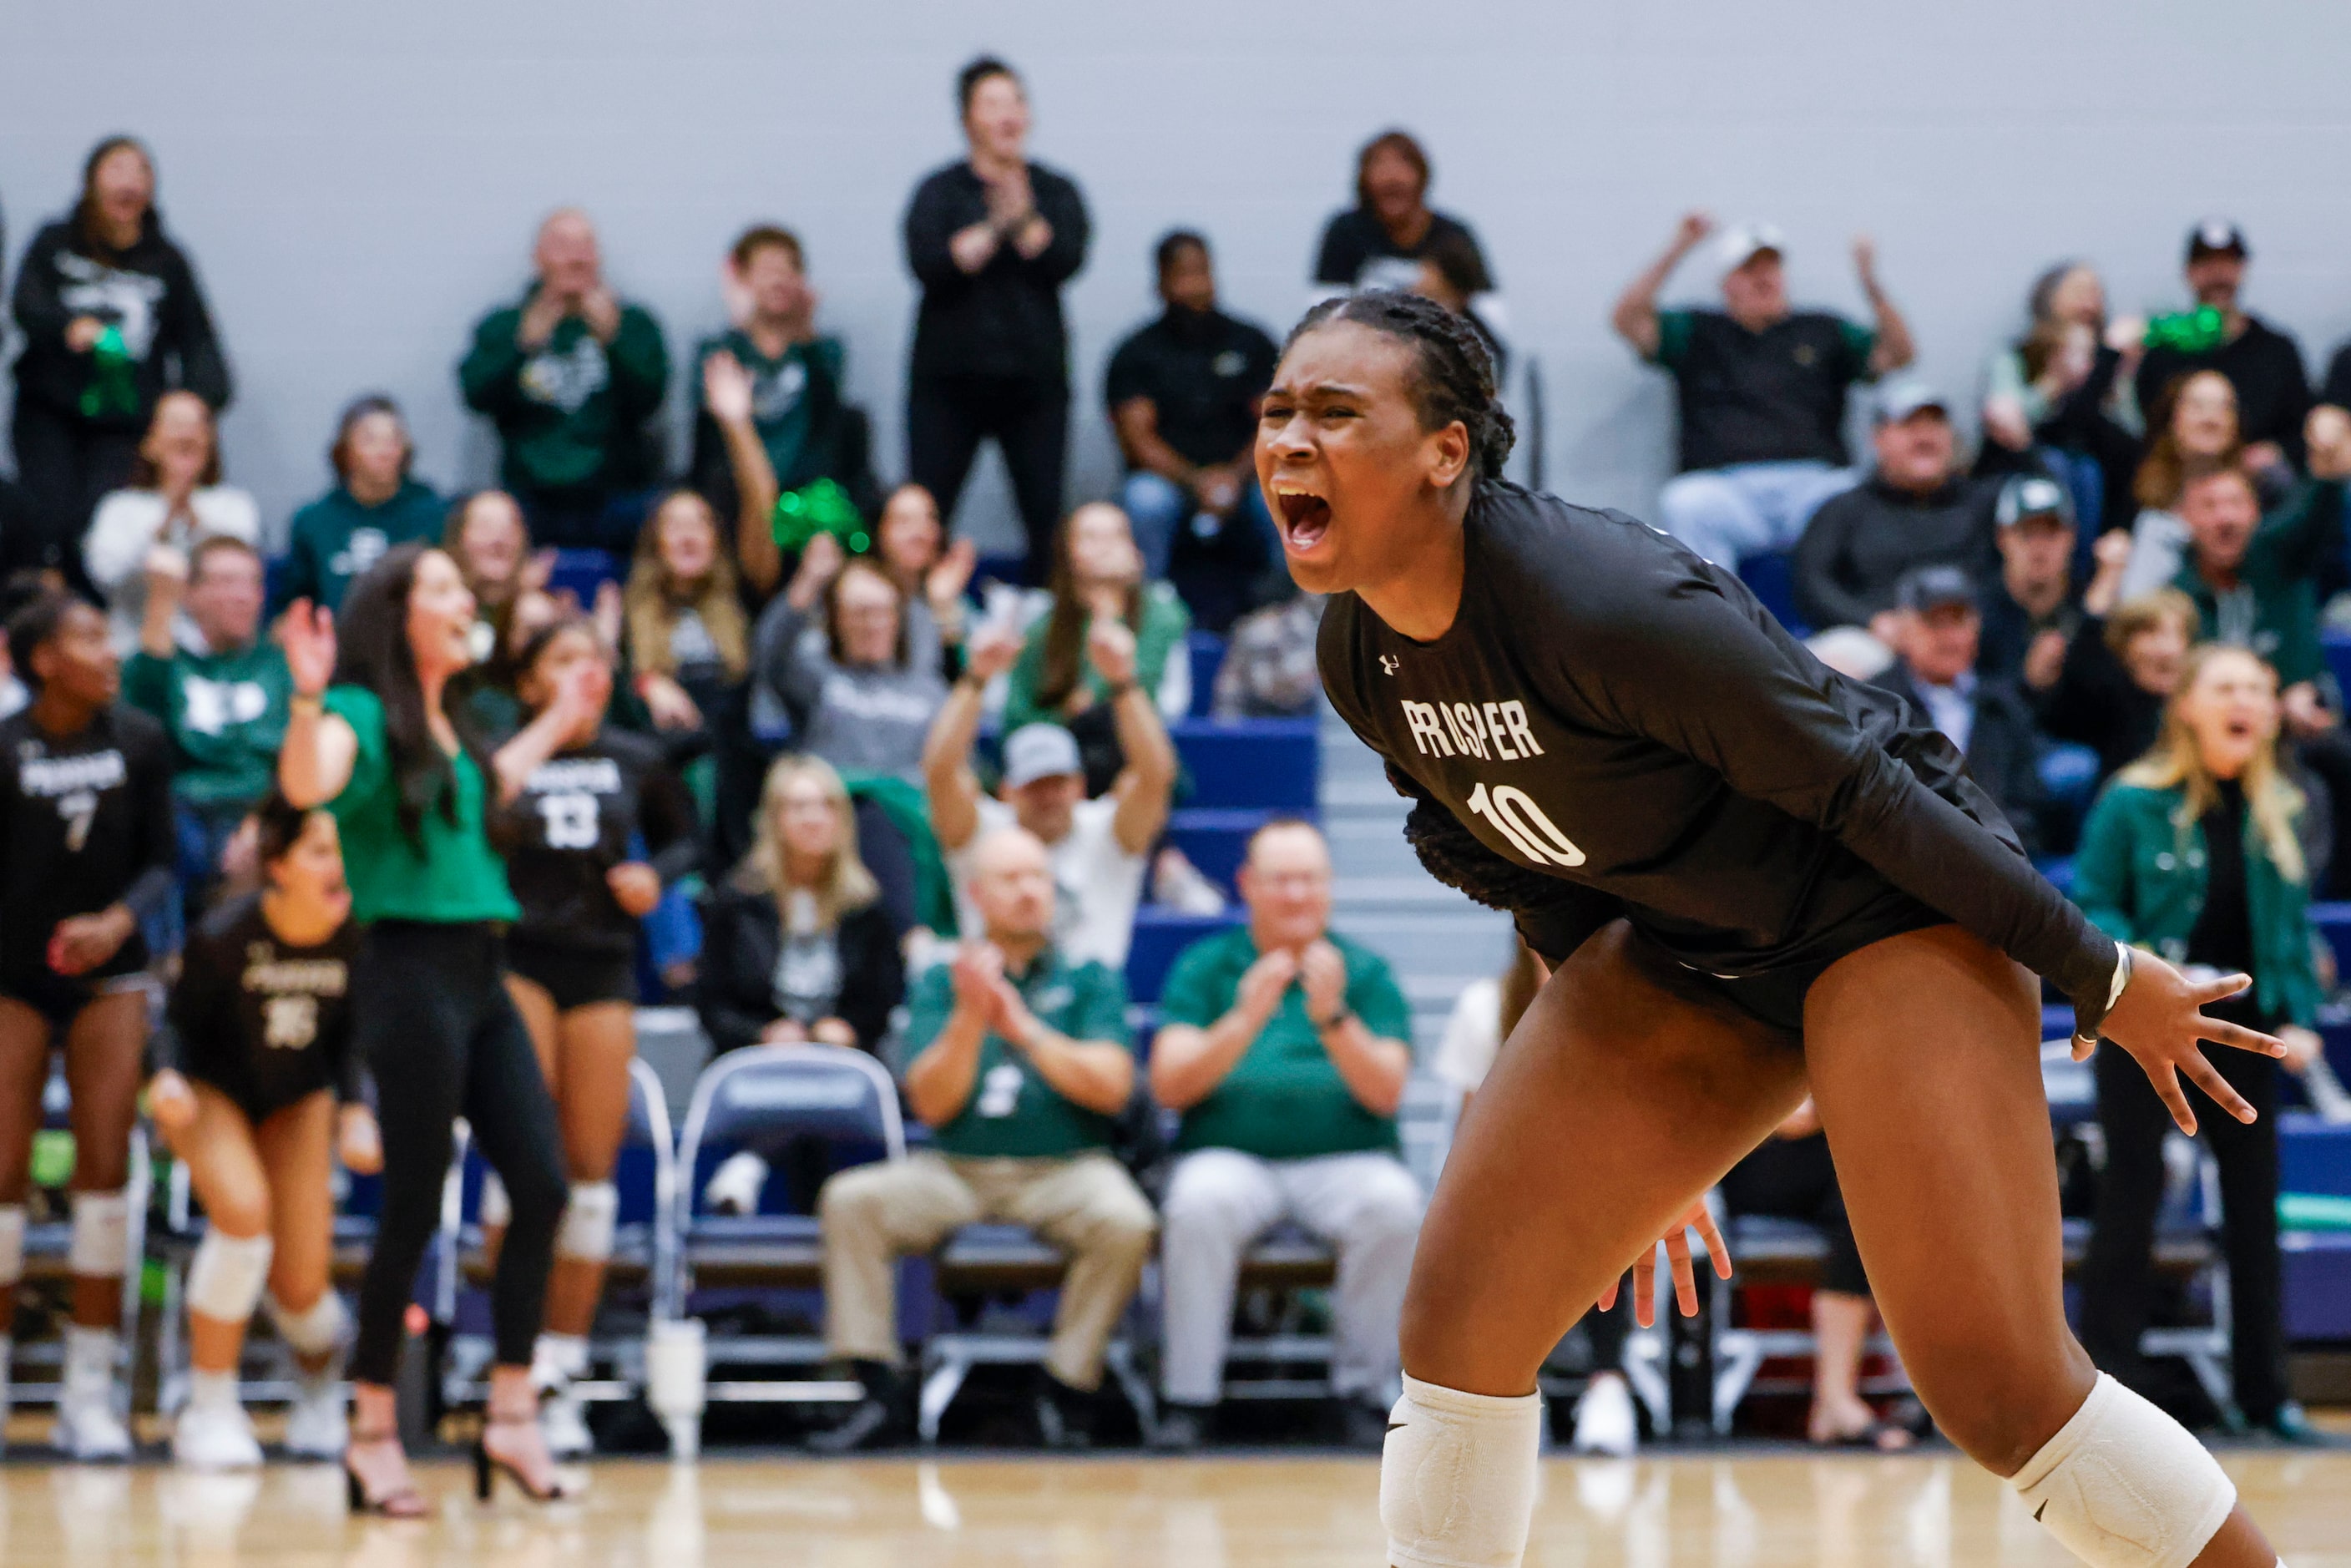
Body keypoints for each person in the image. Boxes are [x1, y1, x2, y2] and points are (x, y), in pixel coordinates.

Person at [1266, 289, 2288, 1567]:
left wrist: (2097, 970)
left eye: (1333, 412)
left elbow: (1871, 790)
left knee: (1998, 1384)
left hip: (1881, 904)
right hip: (1692, 945)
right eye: (1277, 413)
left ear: (1446, 451)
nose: (1288, 441)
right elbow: (1532, 875)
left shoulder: (1603, 596)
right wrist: (1646, 1142)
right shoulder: (1361, 653)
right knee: (1459, 1327)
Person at [276, 544, 570, 1513]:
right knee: (415, 1200)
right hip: (406, 972)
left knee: (540, 1181)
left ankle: (513, 1410)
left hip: (484, 973)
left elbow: (480, 798)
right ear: (396, 612)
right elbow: (310, 784)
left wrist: (562, 723)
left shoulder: (454, 723)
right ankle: (370, 1428)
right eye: (441, 589)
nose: (461, 602)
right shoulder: (361, 714)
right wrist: (308, 698)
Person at [811, 825, 1154, 1452]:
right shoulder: (942, 981)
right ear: (976, 895)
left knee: (1127, 1219)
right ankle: (879, 1391)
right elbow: (933, 1102)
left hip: (1068, 1167)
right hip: (956, 1168)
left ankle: (1066, 1388)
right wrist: (973, 1016)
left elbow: (1111, 1088)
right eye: (1011, 879)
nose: (1029, 892)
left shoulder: (1091, 976)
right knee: (851, 1201)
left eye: (1038, 878)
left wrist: (1021, 1027)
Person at [2071, 644, 2328, 1444]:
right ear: (2186, 705)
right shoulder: (2129, 803)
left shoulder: (2280, 805)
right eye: (2226, 686)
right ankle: (2107, 1392)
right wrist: (2145, 975)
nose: (2244, 699)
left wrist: (2303, 1017)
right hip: (2150, 1028)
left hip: (2245, 1034)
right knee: (2132, 1199)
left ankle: (2266, 1397)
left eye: (2257, 686)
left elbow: (2289, 940)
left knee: (2256, 1217)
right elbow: (2091, 908)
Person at [481, 617, 697, 1457]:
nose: (586, 675)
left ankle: (560, 1371)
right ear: (530, 681)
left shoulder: (634, 758)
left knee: (591, 1180)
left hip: (602, 962)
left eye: (595, 662)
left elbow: (685, 838)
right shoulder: (504, 752)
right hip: (519, 958)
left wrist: (656, 877)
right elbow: (477, 812)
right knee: (523, 1165)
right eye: (564, 661)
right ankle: (510, 1356)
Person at [1147, 820, 1422, 1450]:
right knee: (1196, 1203)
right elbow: (1169, 1085)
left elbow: (1386, 1089)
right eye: (1281, 881)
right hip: (1230, 1157)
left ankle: (1362, 1392)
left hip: (1347, 1160)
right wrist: (1245, 1017)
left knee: (1395, 1205)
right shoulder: (1207, 966)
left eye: (1309, 880)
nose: (1296, 895)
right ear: (1247, 886)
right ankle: (1188, 1397)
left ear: (1328, 888)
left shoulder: (1367, 971)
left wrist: (1333, 1017)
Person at [145, 797, 381, 1468]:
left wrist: (356, 1107)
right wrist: (163, 1079)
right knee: (244, 1216)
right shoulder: (224, 934)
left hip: (298, 1096)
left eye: (342, 851)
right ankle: (209, 1405)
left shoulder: (356, 935)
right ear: (277, 866)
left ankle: (319, 1389)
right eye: (319, 852)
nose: (339, 866)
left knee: (302, 1285)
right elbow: (173, 1026)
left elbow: (353, 1035)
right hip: (210, 1091)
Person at [0, 591, 174, 1458]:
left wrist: (112, 923)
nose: (108, 651)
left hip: (114, 970)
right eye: (88, 638)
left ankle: (88, 1391)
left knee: (106, 1172)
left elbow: (163, 861)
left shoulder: (139, 739)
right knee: (2, 1170)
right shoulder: (6, 747)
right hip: (14, 974)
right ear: (41, 661)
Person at [1430, 940, 1643, 1455]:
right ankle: (1514, 1394)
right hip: (1510, 1185)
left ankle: (1607, 1384)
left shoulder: (1636, 1004)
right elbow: (1470, 1138)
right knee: (1503, 1220)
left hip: (1608, 1190)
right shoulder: (1486, 1005)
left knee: (1610, 1211)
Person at [1610, 213, 1914, 569]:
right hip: (1727, 491)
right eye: (1749, 270)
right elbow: (1628, 320)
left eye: (1771, 267)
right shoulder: (1697, 331)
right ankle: (1714, 622)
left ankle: (1844, 613)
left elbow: (1898, 354)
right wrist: (1678, 248)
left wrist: (1870, 282)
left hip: (1811, 486)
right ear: (1727, 283)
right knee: (1685, 503)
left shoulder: (1823, 329)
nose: (1763, 279)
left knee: (1853, 496)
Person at [10, 136, 231, 583]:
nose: (129, 182)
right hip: (49, 411)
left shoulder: (167, 260)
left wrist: (195, 403)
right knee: (47, 517)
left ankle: (92, 618)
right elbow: (25, 303)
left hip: (125, 418)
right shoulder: (55, 243)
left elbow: (199, 342)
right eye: (116, 170)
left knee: (100, 519)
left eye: (140, 172)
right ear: (91, 182)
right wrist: (66, 325)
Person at [902, 58, 1090, 575]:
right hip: (948, 385)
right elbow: (929, 264)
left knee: (1046, 517)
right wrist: (995, 225)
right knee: (926, 514)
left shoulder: (1055, 191)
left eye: (1016, 102)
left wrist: (1025, 217)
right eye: (993, 104)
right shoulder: (938, 192)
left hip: (1035, 386)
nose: (1008, 116)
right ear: (967, 118)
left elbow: (1066, 258)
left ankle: (1048, 630)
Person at [925, 635, 1175, 973]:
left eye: (1058, 783)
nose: (1048, 797)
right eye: (1034, 785)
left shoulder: (1107, 831)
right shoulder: (983, 832)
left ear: (1080, 786)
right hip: (994, 987)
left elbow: (1155, 774)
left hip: (1088, 1003)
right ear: (1006, 791)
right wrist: (976, 679)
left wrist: (1123, 682)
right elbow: (940, 771)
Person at [458, 209, 670, 555]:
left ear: (598, 257)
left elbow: (651, 401)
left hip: (614, 493)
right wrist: (519, 348)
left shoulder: (632, 323)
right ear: (537, 258)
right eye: (562, 246)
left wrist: (615, 343)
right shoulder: (507, 324)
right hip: (530, 495)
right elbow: (475, 396)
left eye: (585, 246)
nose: (575, 257)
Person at [1105, 231, 1281, 628]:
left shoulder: (1251, 343)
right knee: (1145, 501)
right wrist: (1197, 482)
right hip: (1170, 483)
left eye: (1202, 272)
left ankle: (1279, 611)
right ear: (1161, 283)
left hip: (1246, 477)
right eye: (1182, 275)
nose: (1195, 285)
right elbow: (1137, 441)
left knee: (1288, 498)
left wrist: (1232, 478)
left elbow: (1277, 424)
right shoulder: (1137, 353)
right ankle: (1144, 618)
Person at [1717, 1097, 1914, 1449]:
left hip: (1826, 1147)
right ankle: (1835, 1399)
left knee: (1869, 1188)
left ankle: (1834, 1398)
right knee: (1862, 1180)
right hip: (1742, 1151)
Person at [122, 535, 291, 917]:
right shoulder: (168, 661)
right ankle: (166, 964)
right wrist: (161, 603)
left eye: (252, 583)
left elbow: (295, 757)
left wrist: (260, 823)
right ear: (191, 595)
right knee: (164, 831)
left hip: (260, 807)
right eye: (226, 582)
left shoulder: (278, 663)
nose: (243, 595)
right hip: (185, 812)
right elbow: (140, 727)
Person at [696, 753, 905, 1060]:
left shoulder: (866, 906)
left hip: (847, 1062)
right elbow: (711, 1004)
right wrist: (762, 1034)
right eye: (799, 807)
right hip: (751, 1064)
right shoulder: (737, 902)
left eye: (826, 806)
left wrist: (849, 1029)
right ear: (773, 818)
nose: (814, 818)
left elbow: (882, 999)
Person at [690, 225, 875, 553]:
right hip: (738, 496)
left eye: (789, 269)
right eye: (766, 270)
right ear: (742, 280)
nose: (779, 280)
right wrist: (739, 330)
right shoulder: (719, 349)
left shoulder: (823, 351)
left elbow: (826, 413)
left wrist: (805, 332)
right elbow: (709, 415)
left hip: (806, 499)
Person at [1001, 502, 1191, 791]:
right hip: (1050, 769)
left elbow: (1160, 700)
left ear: (1137, 553)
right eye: (1091, 537)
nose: (1106, 547)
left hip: (1136, 766)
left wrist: (1090, 697)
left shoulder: (1164, 617)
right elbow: (1015, 718)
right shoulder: (1042, 628)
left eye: (1116, 536)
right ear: (1067, 553)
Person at [1792, 380, 1996, 637]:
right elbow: (1812, 584)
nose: (1924, 437)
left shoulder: (1985, 504)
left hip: (1972, 639)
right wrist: (1871, 621)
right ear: (1879, 438)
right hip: (1876, 641)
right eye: (1910, 426)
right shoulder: (1844, 510)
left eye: (1935, 424)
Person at [1869, 565, 2050, 856]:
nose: (1950, 637)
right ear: (1904, 630)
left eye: (1959, 621)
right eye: (1934, 622)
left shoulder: (2004, 707)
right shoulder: (1874, 704)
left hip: (1996, 867)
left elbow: (2027, 803)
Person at [621, 488, 761, 863]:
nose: (689, 536)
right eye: (676, 526)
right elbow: (615, 691)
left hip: (733, 777)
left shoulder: (742, 604)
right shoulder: (626, 614)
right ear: (656, 543)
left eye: (700, 524)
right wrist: (646, 683)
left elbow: (761, 510)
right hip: (665, 773)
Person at [83, 390, 260, 652]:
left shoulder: (234, 505)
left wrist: (193, 518)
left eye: (197, 425)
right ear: (149, 443)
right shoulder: (120, 507)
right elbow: (106, 575)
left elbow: (238, 572)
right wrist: (163, 525)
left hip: (215, 655)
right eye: (175, 424)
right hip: (133, 647)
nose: (186, 434)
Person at [751, 549, 948, 783]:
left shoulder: (930, 691)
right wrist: (808, 583)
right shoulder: (816, 677)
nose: (873, 624)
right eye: (860, 612)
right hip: (836, 807)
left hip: (907, 810)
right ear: (838, 619)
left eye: (883, 611)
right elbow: (769, 655)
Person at [2133, 222, 2309, 483]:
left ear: (2242, 269)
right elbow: (2148, 429)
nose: (2218, 274)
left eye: (2227, 263)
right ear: (2189, 272)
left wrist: (2276, 451)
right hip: (2178, 481)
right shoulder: (2163, 352)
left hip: (2259, 484)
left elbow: (2302, 428)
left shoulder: (2277, 350)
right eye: (2207, 264)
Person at [2169, 452, 2350, 701]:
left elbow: (2318, 509)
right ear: (2183, 516)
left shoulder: (2287, 561)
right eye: (2209, 506)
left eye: (2236, 503)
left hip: (2296, 726)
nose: (2226, 519)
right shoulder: (2174, 599)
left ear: (2256, 511)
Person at [1979, 261, 2144, 532]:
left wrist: (2109, 372)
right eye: (2079, 291)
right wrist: (2054, 385)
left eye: (2096, 293)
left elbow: (2130, 432)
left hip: (2103, 476)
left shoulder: (2111, 362)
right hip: (2030, 470)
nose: (2090, 301)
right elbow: (2011, 427)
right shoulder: (2017, 357)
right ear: (2047, 301)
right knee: (2067, 467)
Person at [280, 397, 446, 614]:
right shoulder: (314, 520)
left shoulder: (432, 513)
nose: (384, 451)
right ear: (345, 452)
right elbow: (296, 604)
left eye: (393, 440)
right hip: (334, 639)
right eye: (370, 440)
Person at [1312, 130, 1498, 307]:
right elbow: (1322, 308)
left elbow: (1489, 310)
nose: (1392, 177)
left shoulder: (1453, 236)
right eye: (1380, 166)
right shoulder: (1346, 232)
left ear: (1422, 178)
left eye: (1403, 165)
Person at [2037, 589, 2199, 787]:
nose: (2169, 649)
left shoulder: (2195, 699)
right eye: (2152, 633)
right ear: (2125, 643)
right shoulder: (2102, 690)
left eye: (2178, 634)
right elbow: (2082, 662)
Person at [2116, 370, 2250, 600]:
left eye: (2223, 407)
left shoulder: (2262, 486)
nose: (2210, 418)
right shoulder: (2140, 491)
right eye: (2198, 406)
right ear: (2172, 418)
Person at [1979, 473, 2087, 688]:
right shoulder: (1978, 615)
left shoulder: (2085, 606)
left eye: (2051, 533)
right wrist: (2026, 683)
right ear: (2002, 538)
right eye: (2027, 533)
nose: (2039, 549)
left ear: (2072, 537)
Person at [1211, 591, 1327, 719]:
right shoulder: (1257, 631)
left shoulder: (1309, 628)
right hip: (1254, 718)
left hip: (1308, 718)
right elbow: (1230, 693)